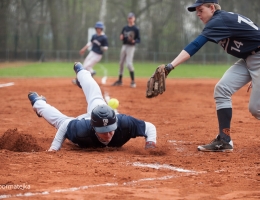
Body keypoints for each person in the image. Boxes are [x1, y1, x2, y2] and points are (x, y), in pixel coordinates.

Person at [157, 0, 260, 152]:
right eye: (196, 11)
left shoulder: (218, 20)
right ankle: (224, 141)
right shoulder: (220, 20)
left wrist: (170, 66)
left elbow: (196, 44)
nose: (198, 14)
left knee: (256, 108)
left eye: (200, 10)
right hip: (249, 59)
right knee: (222, 89)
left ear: (212, 8)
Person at [28, 62, 156, 151]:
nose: (109, 134)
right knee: (60, 121)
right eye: (104, 132)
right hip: (86, 121)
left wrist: (150, 144)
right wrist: (54, 148)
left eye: (111, 129)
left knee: (96, 98)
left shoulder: (123, 124)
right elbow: (65, 125)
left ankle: (81, 72)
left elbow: (149, 127)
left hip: (98, 115)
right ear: (94, 129)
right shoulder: (81, 130)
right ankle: (38, 102)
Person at [112, 12, 140, 88]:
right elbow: (122, 35)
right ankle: (120, 80)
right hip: (124, 46)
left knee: (129, 64)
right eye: (129, 18)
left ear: (134, 18)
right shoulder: (125, 28)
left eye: (131, 18)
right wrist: (121, 37)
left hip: (131, 47)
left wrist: (134, 41)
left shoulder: (136, 29)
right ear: (128, 19)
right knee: (121, 63)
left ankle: (133, 81)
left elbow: (138, 39)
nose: (130, 19)